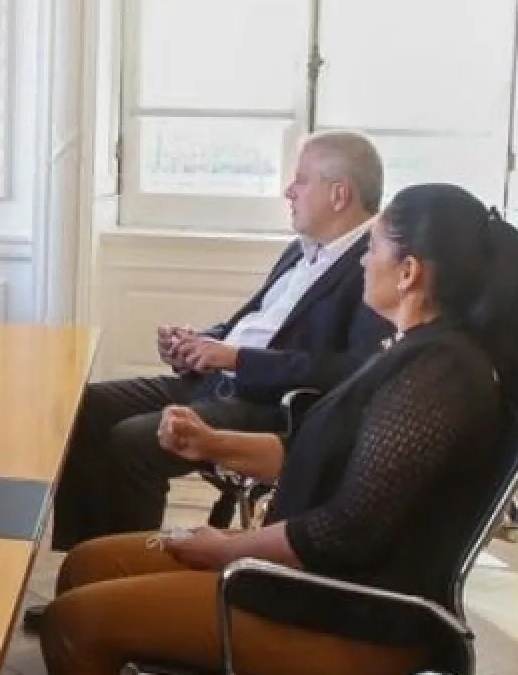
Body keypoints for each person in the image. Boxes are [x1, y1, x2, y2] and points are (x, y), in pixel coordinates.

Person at [39, 182, 518, 674]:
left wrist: (227, 548)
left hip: (352, 615)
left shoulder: (439, 374)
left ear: (409, 272)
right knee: (85, 564)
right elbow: (312, 451)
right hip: (316, 581)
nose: (363, 261)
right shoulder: (415, 353)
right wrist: (211, 443)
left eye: (371, 249)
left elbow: (344, 532)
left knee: (74, 623)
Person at [43, 131, 394, 564]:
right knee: (85, 407)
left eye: (301, 181)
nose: (289, 191)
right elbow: (255, 325)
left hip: (267, 406)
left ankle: (127, 569)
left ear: (339, 194)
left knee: (133, 441)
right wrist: (199, 344)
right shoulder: (301, 250)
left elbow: (352, 370)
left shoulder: (373, 264)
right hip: (216, 381)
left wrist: (237, 359)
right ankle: (81, 562)